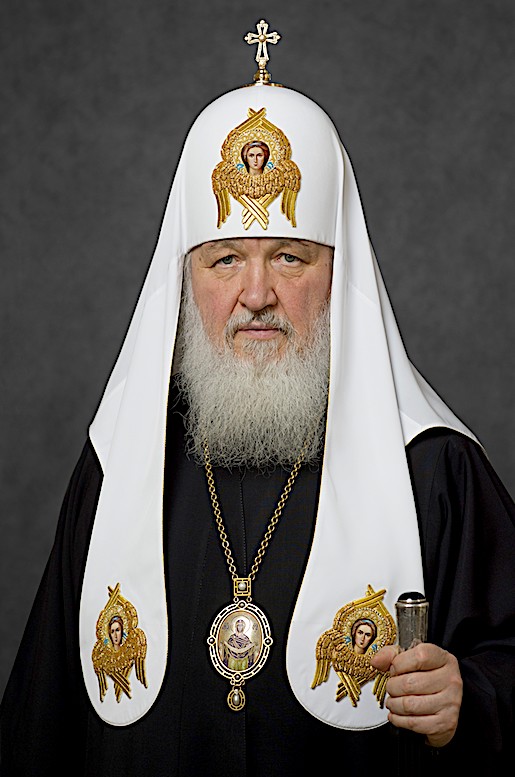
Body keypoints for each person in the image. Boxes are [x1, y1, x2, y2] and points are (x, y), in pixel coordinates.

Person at [1, 21, 514, 777]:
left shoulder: (434, 468)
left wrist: (473, 699)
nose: (256, 294)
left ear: (339, 275)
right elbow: (40, 726)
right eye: (224, 260)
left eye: (290, 257)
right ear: (185, 282)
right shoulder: (117, 469)